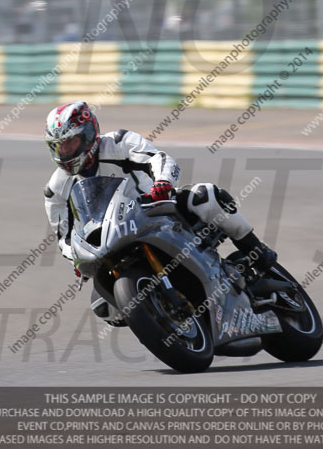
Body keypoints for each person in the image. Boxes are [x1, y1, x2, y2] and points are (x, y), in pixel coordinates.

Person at [43, 101, 277, 322]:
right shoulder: (56, 189)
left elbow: (159, 159)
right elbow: (63, 235)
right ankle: (164, 317)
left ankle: (258, 252)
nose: (65, 151)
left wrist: (162, 183)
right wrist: (76, 255)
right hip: (110, 236)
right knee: (103, 306)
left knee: (205, 197)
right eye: (59, 146)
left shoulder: (119, 143)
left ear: (87, 136)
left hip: (154, 209)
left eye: (70, 143)